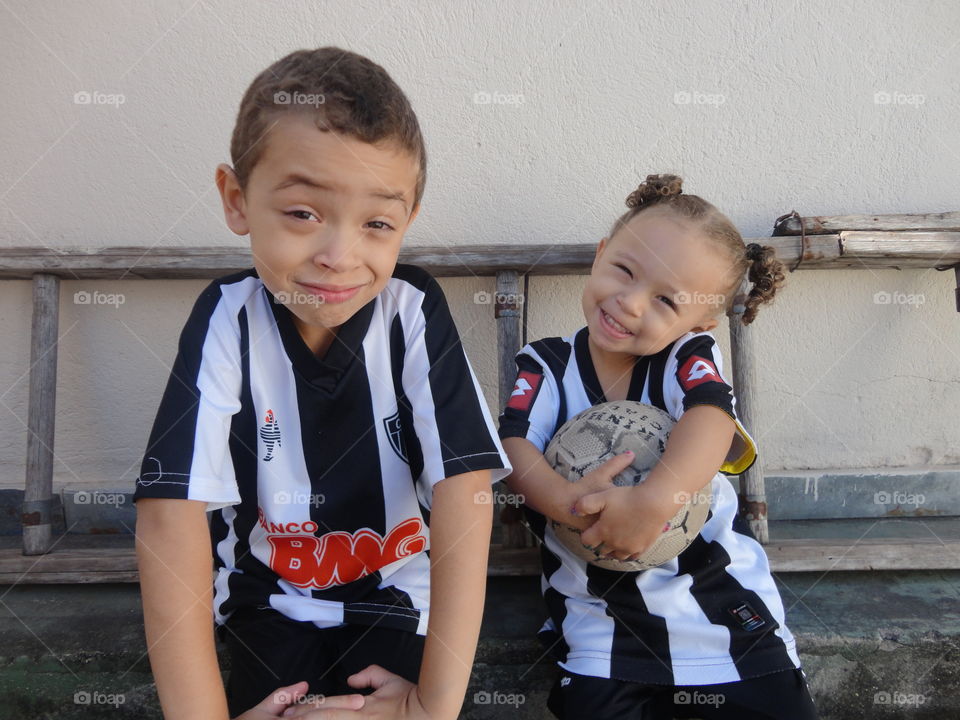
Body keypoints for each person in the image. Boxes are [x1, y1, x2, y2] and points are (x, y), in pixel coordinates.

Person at [134, 47, 511, 720]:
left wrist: (432, 708)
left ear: (408, 222)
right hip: (267, 601)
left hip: (397, 596)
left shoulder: (412, 310)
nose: (340, 255)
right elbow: (170, 516)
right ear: (236, 198)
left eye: (376, 223)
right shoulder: (228, 318)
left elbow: (465, 491)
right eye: (304, 213)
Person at [498, 174, 817, 719]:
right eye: (624, 269)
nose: (629, 303)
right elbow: (514, 449)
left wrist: (655, 501)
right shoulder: (546, 363)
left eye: (666, 300)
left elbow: (712, 421)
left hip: (722, 605)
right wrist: (563, 501)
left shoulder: (684, 359)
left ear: (698, 322)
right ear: (601, 254)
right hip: (601, 618)